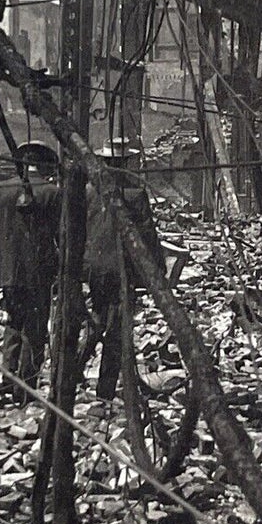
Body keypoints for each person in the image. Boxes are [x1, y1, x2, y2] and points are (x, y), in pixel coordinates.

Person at [0, 141, 60, 401]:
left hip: (9, 273)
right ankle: (26, 389)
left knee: (13, 325)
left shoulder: (0, 189)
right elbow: (63, 235)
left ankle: (7, 380)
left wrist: (2, 251)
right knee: (35, 330)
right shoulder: (52, 192)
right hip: (39, 273)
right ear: (44, 164)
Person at [83, 139, 164, 399]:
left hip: (95, 267)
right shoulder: (135, 194)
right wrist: (157, 270)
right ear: (126, 163)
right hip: (122, 269)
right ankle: (105, 389)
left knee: (97, 317)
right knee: (118, 328)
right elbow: (147, 236)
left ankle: (73, 371)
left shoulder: (89, 191)